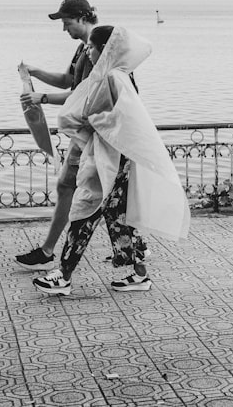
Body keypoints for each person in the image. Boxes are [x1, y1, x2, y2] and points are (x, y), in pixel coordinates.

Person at [33, 25, 189, 295]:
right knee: (119, 218)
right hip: (110, 159)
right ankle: (137, 275)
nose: (88, 51)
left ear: (105, 49)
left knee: (84, 212)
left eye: (91, 47)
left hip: (110, 161)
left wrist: (86, 120)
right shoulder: (109, 76)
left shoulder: (113, 78)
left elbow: (121, 119)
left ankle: (63, 275)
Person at [15, 0, 105, 270]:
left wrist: (42, 99)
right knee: (102, 191)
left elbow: (83, 95)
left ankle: (48, 251)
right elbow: (69, 80)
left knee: (74, 188)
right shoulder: (83, 49)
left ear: (81, 18)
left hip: (94, 133)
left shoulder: (99, 49)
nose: (64, 29)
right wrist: (36, 71)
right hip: (84, 133)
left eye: (67, 23)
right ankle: (136, 249)